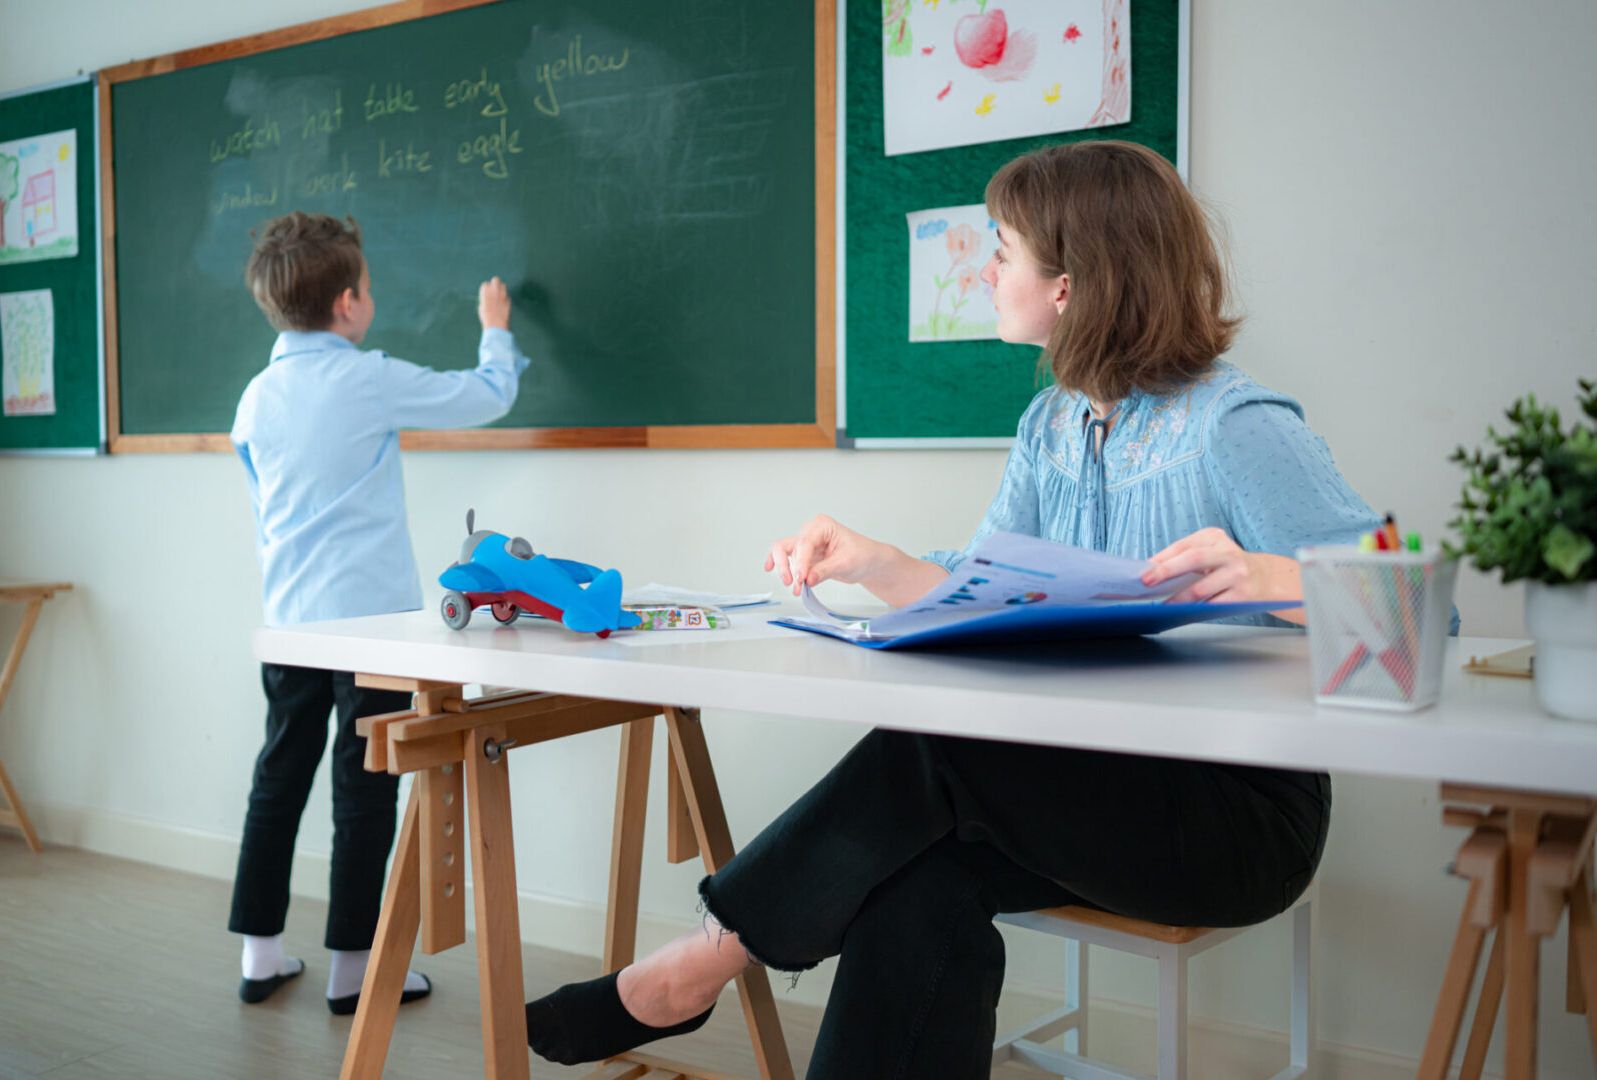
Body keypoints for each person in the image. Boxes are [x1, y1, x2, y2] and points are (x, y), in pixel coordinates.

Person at [524, 140, 1379, 1077]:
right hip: (1078, 786)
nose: (986, 268)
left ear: (1068, 285)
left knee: (940, 744)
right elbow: (987, 589)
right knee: (913, 881)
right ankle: (697, 970)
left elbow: (1418, 621)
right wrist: (875, 562)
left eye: (1002, 249)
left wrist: (1272, 579)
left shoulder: (1236, 425)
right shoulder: (1050, 423)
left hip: (1237, 815)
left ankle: (698, 965)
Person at [228, 211, 526, 1014]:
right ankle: (354, 973)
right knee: (364, 785)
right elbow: (486, 396)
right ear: (350, 303)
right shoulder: (366, 376)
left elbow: (264, 509)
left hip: (288, 621)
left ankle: (259, 956)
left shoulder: (255, 399)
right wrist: (495, 330)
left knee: (278, 776)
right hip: (373, 630)